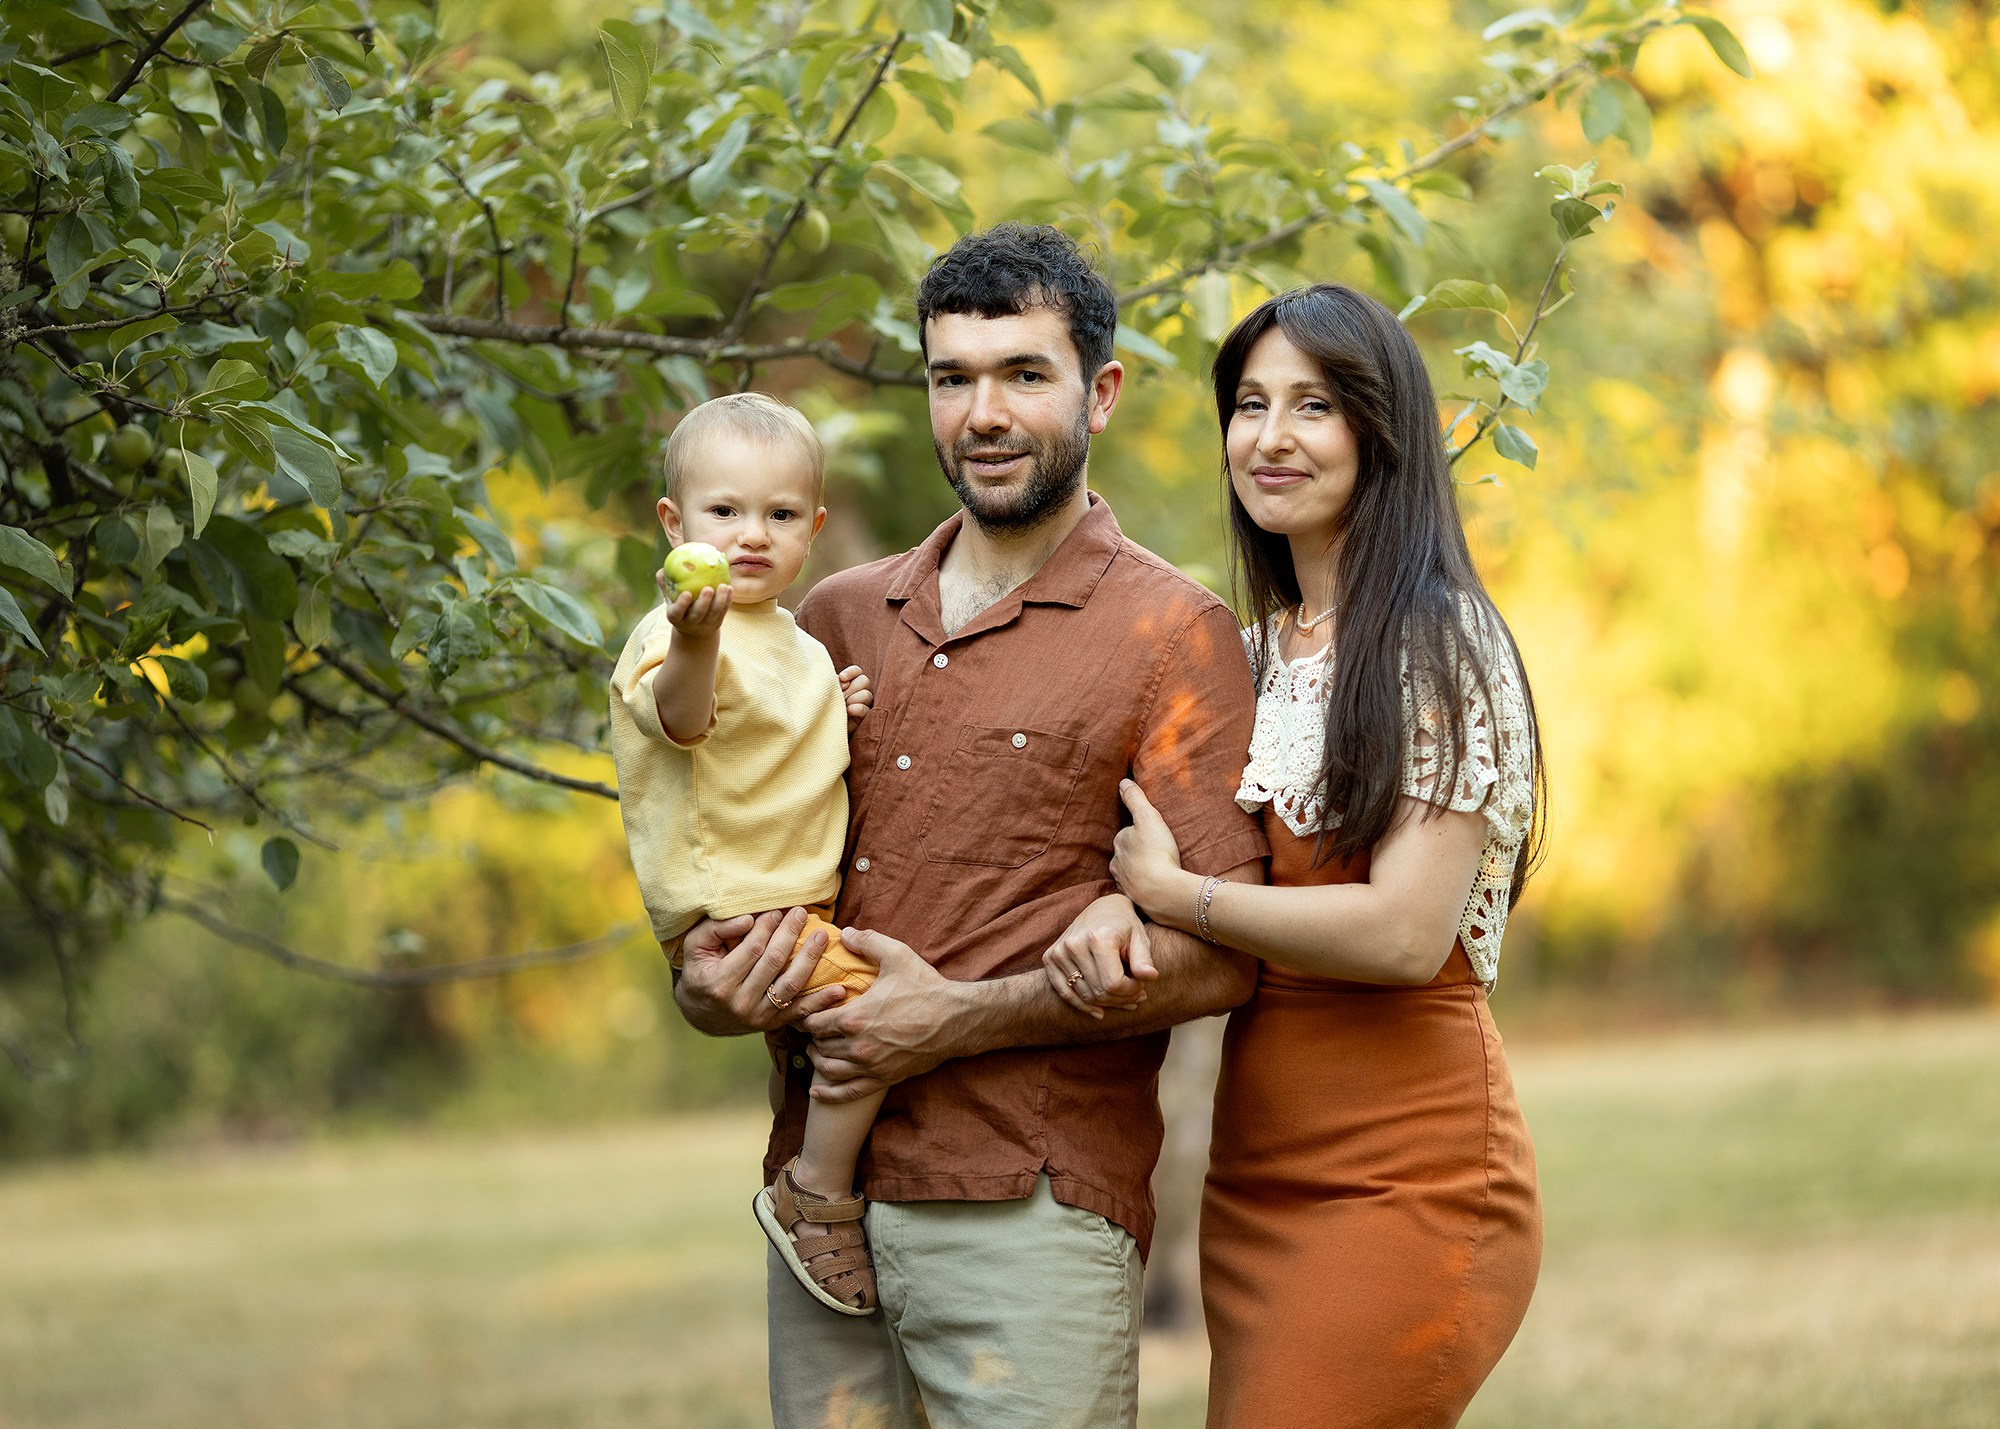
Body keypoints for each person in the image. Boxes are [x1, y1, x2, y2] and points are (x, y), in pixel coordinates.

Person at [667, 224, 1269, 1429]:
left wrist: (950, 1020)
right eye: (953, 378)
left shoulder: (1171, 635)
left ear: (1098, 391)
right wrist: (705, 989)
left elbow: (1222, 955)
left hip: (1028, 1213)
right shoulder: (826, 616)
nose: (982, 413)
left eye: (1022, 375)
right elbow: (721, 852)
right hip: (817, 1207)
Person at [1100, 284, 1546, 1428]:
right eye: (1248, 404)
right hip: (1257, 1175)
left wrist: (1179, 896)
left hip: (1407, 1169)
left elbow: (1404, 934)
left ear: (1376, 429)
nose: (1270, 437)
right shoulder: (1240, 656)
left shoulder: (1440, 642)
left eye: (1312, 405)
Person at [606, 393, 887, 1314]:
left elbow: (773, 740)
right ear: (674, 522)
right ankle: (818, 1192)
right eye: (724, 512)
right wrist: (693, 637)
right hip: (739, 901)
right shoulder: (681, 631)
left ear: (813, 526)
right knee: (872, 1021)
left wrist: (830, 710)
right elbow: (685, 721)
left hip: (787, 899)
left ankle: (805, 1141)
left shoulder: (794, 638)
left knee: (810, 1047)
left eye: (778, 516)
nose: (750, 535)